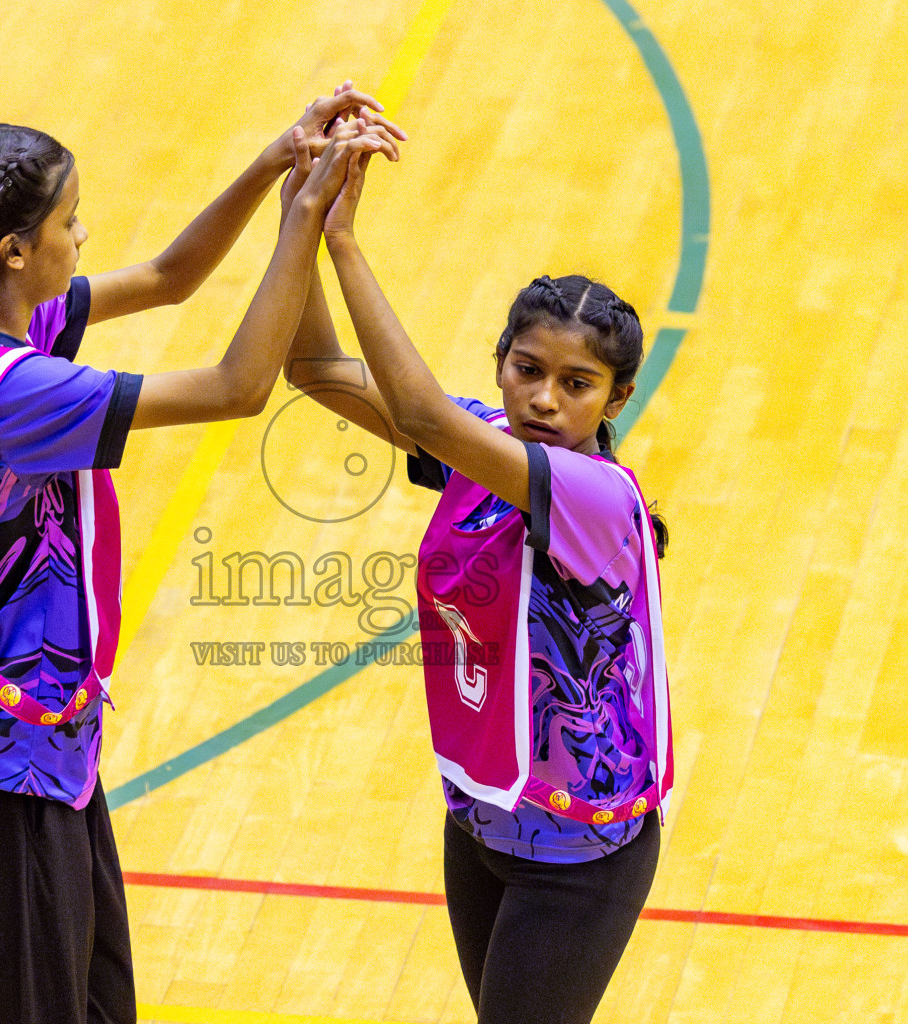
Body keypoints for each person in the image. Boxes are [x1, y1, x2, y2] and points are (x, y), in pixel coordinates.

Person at [0, 94, 401, 1024]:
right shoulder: (16, 392)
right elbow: (238, 386)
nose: (83, 232)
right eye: (70, 219)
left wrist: (276, 160)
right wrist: (301, 225)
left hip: (46, 758)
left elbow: (170, 276)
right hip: (0, 776)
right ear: (13, 251)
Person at [281, 141, 674, 1024]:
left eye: (577, 385)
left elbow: (418, 410)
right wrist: (297, 221)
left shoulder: (594, 495)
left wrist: (346, 240)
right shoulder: (485, 442)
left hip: (581, 851)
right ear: (501, 362)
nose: (543, 400)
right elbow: (314, 371)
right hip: (482, 819)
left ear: (615, 401)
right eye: (527, 370)